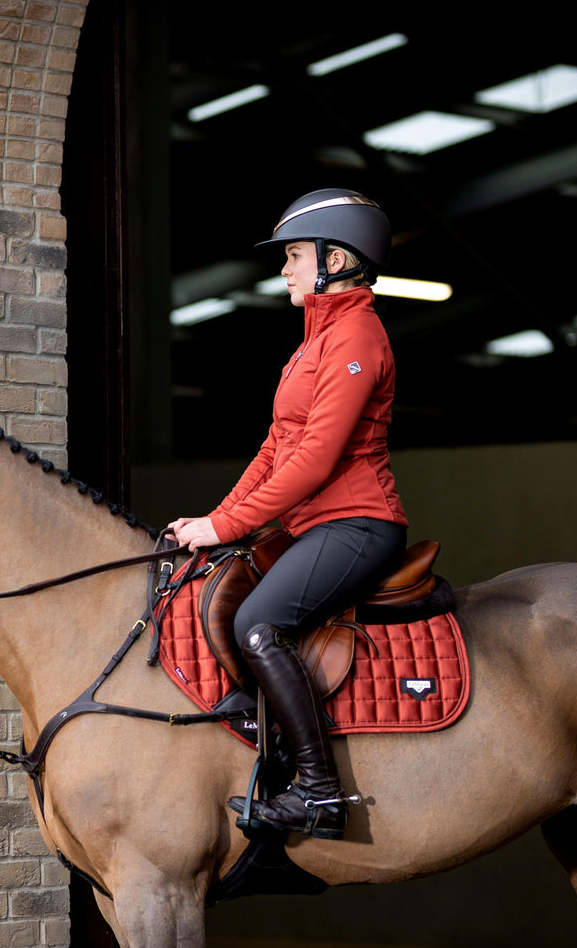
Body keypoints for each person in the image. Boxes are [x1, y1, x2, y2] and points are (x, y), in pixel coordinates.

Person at [169, 188, 408, 840]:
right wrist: (213, 522)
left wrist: (228, 526)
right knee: (217, 590)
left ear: (337, 258)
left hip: (359, 524)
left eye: (295, 256)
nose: (285, 270)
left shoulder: (357, 336)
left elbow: (315, 460)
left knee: (257, 621)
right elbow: (275, 448)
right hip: (311, 527)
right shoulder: (311, 345)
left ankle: (320, 794)